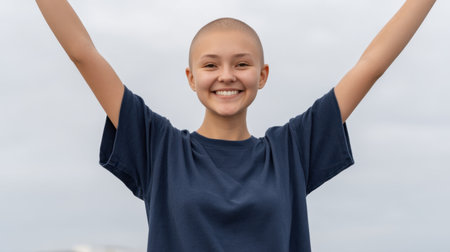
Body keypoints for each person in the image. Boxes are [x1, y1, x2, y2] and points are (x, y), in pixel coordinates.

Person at [36, 0, 436, 251]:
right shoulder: (159, 148)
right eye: (210, 65)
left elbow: (371, 66)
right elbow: (82, 53)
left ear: (262, 75)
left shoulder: (290, 151)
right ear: (191, 78)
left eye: (241, 64)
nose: (226, 75)